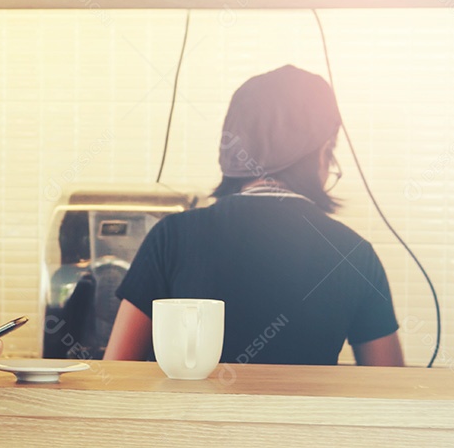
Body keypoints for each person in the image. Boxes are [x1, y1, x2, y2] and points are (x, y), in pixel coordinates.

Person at [104, 65, 404, 367]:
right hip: (304, 416)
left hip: (187, 416)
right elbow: (390, 392)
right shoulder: (354, 254)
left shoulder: (171, 237)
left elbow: (116, 373)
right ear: (323, 150)